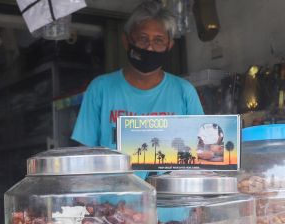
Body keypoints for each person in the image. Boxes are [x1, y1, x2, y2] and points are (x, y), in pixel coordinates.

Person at [71, 0, 204, 155]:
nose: (149, 47)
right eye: (143, 39)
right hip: (113, 180)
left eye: (158, 40)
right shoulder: (100, 89)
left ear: (169, 46)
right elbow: (84, 153)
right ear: (126, 41)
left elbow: (200, 149)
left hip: (168, 180)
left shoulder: (184, 91)